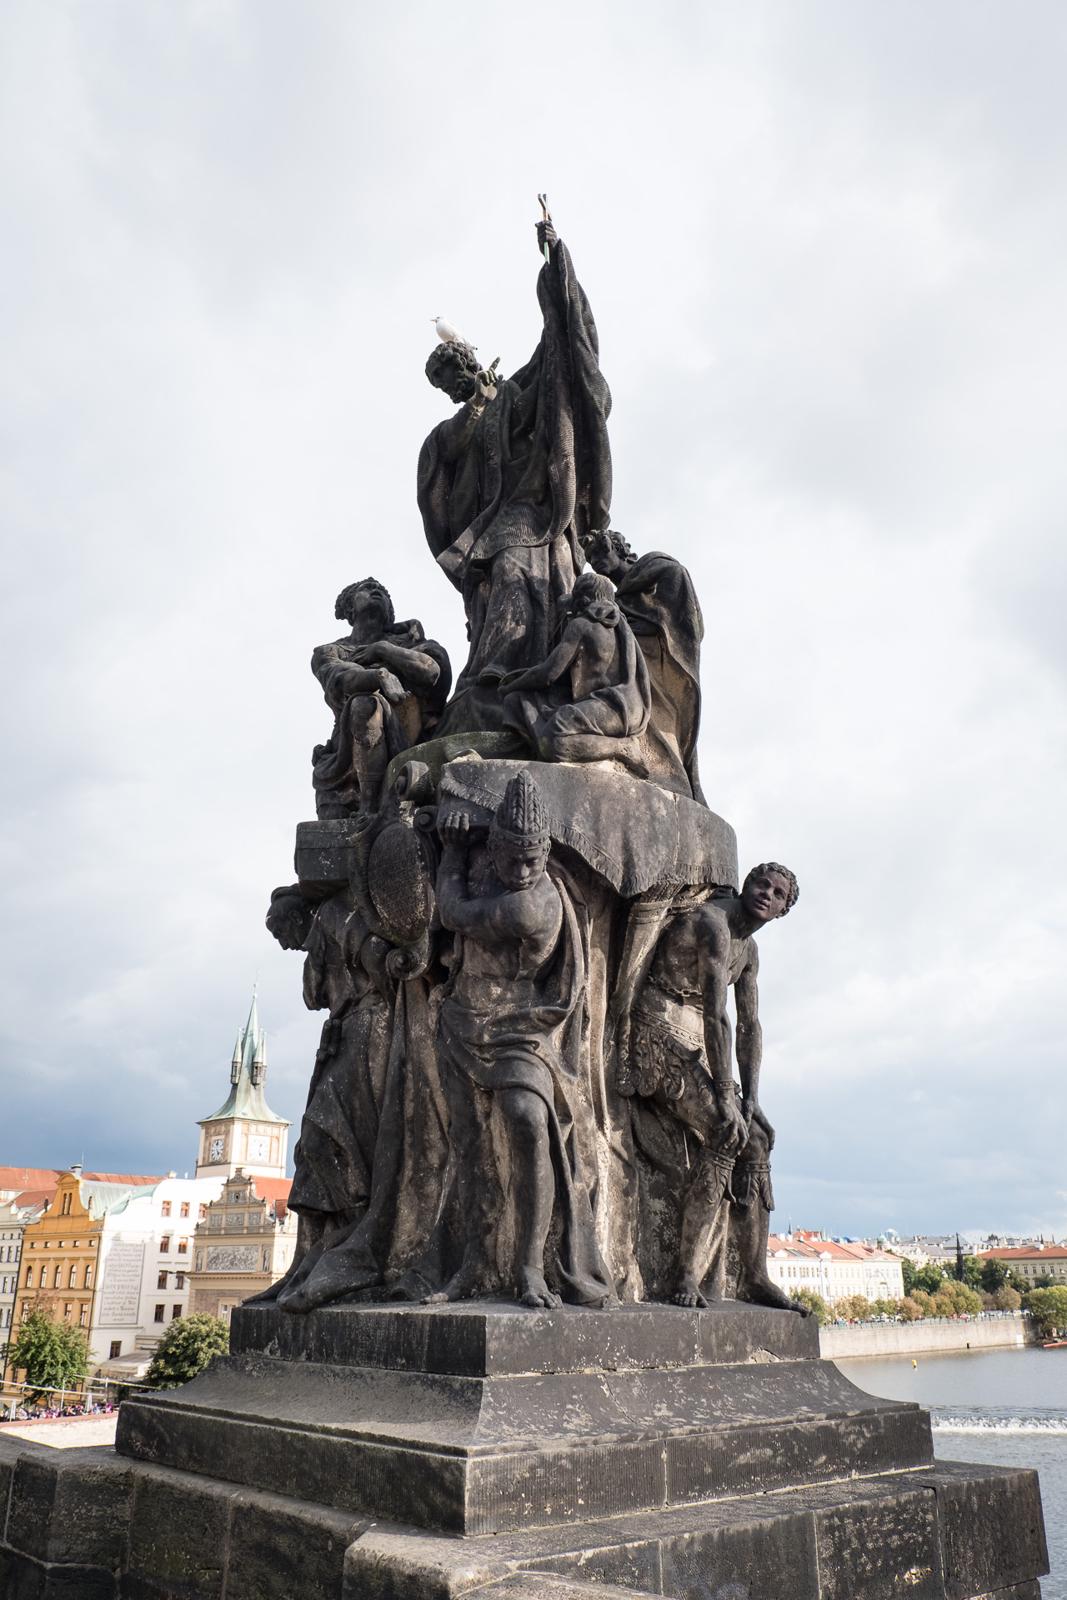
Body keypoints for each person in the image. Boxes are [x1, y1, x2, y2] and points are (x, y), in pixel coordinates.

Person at [418, 216, 612, 736]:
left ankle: (516, 671)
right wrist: (478, 405)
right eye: (442, 384)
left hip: (528, 508)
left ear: (468, 361)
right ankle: (496, 670)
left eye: (452, 373)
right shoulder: (455, 426)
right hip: (488, 521)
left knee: (524, 574)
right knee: (498, 582)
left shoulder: (508, 393)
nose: (450, 386)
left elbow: (554, 362)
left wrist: (555, 270)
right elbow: (446, 454)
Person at [429, 771, 613, 1309]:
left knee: (529, 1121)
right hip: (463, 1021)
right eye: (512, 859)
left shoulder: (530, 905)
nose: (523, 870)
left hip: (520, 1028)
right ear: (495, 849)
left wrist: (451, 852)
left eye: (532, 860)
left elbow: (452, 912)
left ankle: (531, 1266)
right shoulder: (491, 868)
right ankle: (473, 1263)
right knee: (468, 1143)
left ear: (545, 852)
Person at [618, 862, 805, 1311]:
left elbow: (749, 1025)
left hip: (697, 1040)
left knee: (755, 1139)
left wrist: (752, 1099)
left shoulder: (750, 951)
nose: (766, 893)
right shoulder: (713, 924)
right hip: (656, 1026)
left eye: (778, 893)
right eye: (761, 883)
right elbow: (718, 1014)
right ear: (746, 885)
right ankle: (686, 1273)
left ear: (782, 910)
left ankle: (754, 1276)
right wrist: (725, 1095)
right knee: (725, 1128)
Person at [311, 578, 450, 817]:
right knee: (364, 703)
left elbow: (431, 671)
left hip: (409, 737)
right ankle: (367, 808)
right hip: (350, 752)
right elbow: (341, 680)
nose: (376, 591)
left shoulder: (410, 642)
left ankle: (374, 809)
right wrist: (379, 675)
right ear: (349, 608)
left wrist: (383, 649)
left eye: (383, 592)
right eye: (367, 588)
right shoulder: (330, 651)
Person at [583, 529, 705, 801]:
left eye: (601, 552)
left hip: (663, 656)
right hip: (635, 660)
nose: (596, 561)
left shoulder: (655, 567)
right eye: (591, 559)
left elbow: (681, 607)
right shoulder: (616, 600)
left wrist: (648, 622)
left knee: (662, 716)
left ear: (620, 550)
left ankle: (665, 768)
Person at [500, 571, 650, 769]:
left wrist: (511, 685)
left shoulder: (582, 625)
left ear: (583, 600)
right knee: (517, 701)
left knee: (552, 741)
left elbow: (548, 674)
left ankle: (622, 747)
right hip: (631, 708)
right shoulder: (623, 627)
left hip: (613, 707)